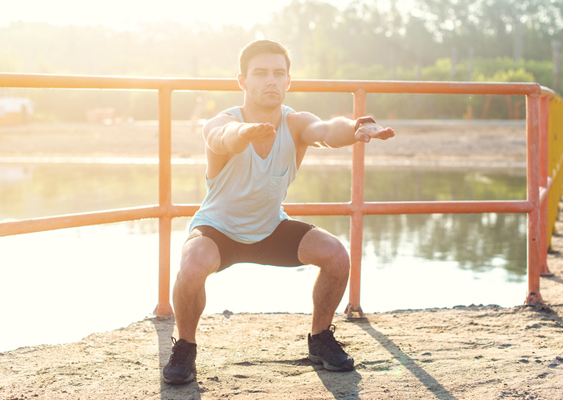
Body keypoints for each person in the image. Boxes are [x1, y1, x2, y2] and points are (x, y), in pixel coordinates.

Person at [163, 39, 395, 385]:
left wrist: (357, 129)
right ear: (242, 81)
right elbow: (221, 138)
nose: (270, 80)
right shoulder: (221, 121)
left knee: (336, 255)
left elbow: (327, 131)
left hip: (271, 228)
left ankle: (320, 340)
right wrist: (246, 132)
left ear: (289, 80)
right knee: (193, 264)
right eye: (260, 73)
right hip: (218, 230)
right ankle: (185, 348)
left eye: (278, 73)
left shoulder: (296, 122)